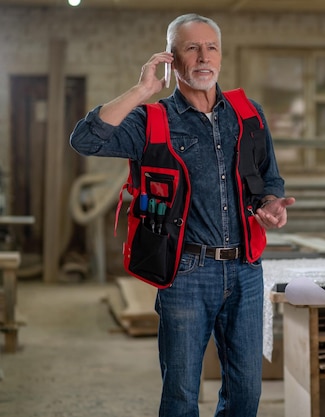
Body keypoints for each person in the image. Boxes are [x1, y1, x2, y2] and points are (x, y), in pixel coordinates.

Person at [70, 13, 295, 417]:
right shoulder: (151, 120)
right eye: (192, 47)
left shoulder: (248, 113)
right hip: (186, 272)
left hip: (245, 267)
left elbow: (269, 178)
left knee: (246, 393)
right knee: (180, 395)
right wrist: (141, 91)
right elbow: (86, 139)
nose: (204, 56)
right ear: (172, 58)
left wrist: (270, 205)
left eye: (211, 47)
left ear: (221, 56)